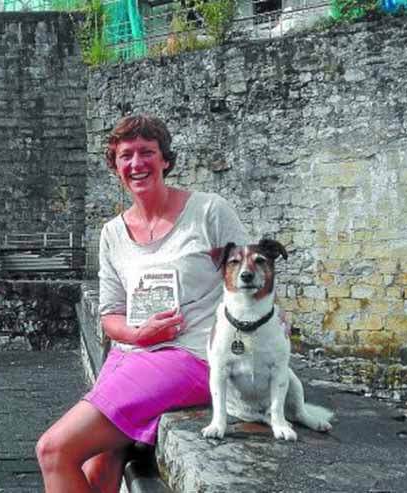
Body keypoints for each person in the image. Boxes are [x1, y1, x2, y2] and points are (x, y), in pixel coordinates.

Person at [36, 114, 248, 492]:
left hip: (192, 354)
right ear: (114, 165)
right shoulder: (112, 234)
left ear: (165, 159)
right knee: (100, 466)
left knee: (54, 450)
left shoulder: (210, 212)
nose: (136, 164)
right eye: (126, 155)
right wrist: (138, 333)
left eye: (147, 152)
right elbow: (109, 315)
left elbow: (249, 281)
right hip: (131, 353)